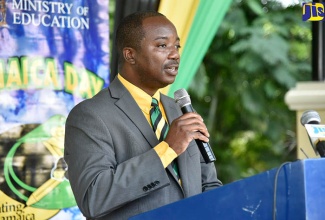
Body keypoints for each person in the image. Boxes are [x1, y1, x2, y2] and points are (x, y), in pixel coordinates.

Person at [64, 11, 223, 220]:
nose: (175, 54)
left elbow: (208, 184)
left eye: (177, 46)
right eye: (162, 45)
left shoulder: (180, 110)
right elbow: (94, 197)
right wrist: (168, 149)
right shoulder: (90, 116)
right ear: (130, 55)